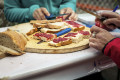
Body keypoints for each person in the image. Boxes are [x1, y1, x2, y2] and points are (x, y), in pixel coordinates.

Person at [4, 0, 78, 23]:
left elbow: (69, 1)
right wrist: (30, 13)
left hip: (64, 25)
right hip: (28, 31)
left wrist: (68, 8)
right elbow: (9, 11)